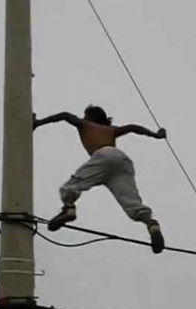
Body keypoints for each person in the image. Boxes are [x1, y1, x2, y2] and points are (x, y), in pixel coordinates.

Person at [33, 105, 167, 254]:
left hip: (104, 156)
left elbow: (64, 115)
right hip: (122, 161)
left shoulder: (85, 124)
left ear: (90, 117)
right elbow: (133, 128)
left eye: (85, 115)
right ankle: (151, 224)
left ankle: (69, 208)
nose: (83, 118)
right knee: (132, 204)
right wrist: (156, 135)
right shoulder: (112, 130)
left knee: (71, 186)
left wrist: (38, 123)